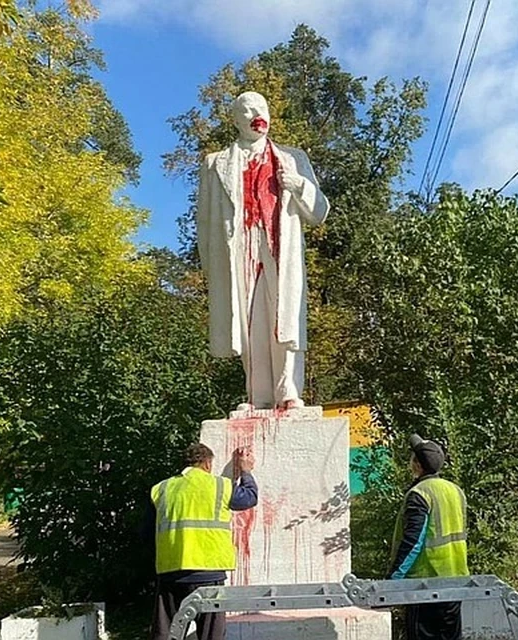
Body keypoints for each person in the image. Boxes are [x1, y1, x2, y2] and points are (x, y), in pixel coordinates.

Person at [197, 91, 330, 410]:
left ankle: (288, 391)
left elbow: (320, 212)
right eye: (249, 110)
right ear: (236, 119)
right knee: (250, 319)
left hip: (278, 247)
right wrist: (211, 267)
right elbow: (204, 219)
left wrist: (298, 185)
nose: (258, 114)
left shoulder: (292, 158)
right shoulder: (216, 164)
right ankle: (258, 396)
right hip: (240, 247)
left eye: (263, 108)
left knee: (285, 319)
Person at [146, 443, 258, 639]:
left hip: (171, 572)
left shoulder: (162, 489)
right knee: (210, 634)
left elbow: (146, 531)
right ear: (207, 464)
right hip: (208, 572)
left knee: (164, 633)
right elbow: (249, 498)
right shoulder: (220, 485)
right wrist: (246, 471)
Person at [388, 434, 469, 640]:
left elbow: (413, 541)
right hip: (456, 581)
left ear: (417, 465)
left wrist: (392, 581)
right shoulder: (455, 491)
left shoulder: (420, 493)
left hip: (425, 585)